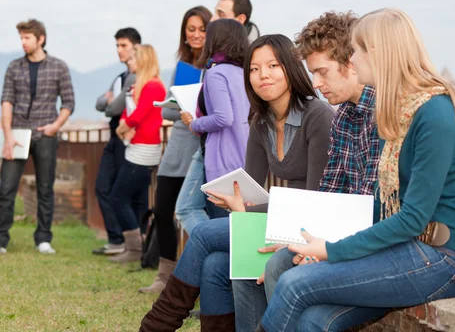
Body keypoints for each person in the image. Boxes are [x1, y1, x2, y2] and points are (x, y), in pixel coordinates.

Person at [257, 8, 455, 332]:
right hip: (415, 248)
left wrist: (331, 250)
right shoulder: (403, 110)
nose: (353, 58)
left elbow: (411, 219)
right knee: (313, 320)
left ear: (378, 54)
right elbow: (381, 205)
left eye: (358, 49)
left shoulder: (436, 113)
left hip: (450, 259)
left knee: (295, 284)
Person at [139, 34, 334, 331]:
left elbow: (317, 195)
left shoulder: (317, 115)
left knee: (204, 234)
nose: (262, 75)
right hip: (279, 216)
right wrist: (238, 202)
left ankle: (157, 325)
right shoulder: (260, 120)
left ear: (291, 69)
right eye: (254, 69)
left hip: (309, 225)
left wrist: (263, 214)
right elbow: (251, 188)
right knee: (215, 264)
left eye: (272, 65)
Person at [233, 11, 386, 331]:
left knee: (267, 263)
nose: (316, 83)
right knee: (243, 261)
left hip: (361, 240)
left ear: (352, 62)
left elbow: (376, 207)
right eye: (255, 69)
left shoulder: (371, 113)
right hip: (324, 228)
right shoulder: (345, 115)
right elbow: (332, 193)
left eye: (322, 72)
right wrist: (304, 240)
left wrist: (320, 247)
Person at [139, 6, 212, 294]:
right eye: (190, 29)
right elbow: (166, 114)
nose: (195, 35)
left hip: (203, 146)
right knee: (162, 209)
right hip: (177, 146)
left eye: (201, 29)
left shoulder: (215, 67)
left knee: (197, 213)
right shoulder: (181, 66)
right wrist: (180, 104)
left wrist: (193, 107)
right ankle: (164, 277)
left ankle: (202, 281)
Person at [0, 19, 75, 255]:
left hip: (45, 135)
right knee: (7, 188)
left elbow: (68, 103)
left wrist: (54, 127)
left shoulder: (59, 67)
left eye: (27, 38)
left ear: (41, 39)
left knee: (45, 188)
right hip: (16, 133)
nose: (23, 42)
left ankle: (43, 239)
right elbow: (7, 101)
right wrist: (7, 136)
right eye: (21, 38)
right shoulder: (14, 67)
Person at [180, 19, 251, 221]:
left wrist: (195, 124)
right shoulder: (242, 72)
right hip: (243, 153)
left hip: (222, 159)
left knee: (218, 224)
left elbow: (224, 117)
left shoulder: (216, 73)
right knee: (237, 223)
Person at [108, 44, 167, 263]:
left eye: (133, 58)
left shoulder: (153, 86)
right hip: (136, 146)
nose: (129, 62)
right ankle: (135, 246)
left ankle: (134, 248)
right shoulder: (141, 85)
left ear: (143, 60)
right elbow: (128, 112)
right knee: (132, 198)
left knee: (118, 197)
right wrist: (124, 125)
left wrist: (122, 127)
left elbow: (136, 116)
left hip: (144, 149)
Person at [93, 27, 141, 256]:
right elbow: (99, 103)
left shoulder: (136, 76)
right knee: (102, 187)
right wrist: (108, 101)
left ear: (135, 48)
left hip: (129, 141)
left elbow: (112, 106)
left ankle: (128, 242)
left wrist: (109, 101)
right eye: (117, 46)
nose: (119, 51)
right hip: (115, 139)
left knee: (124, 194)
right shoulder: (121, 77)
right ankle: (116, 240)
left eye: (124, 46)